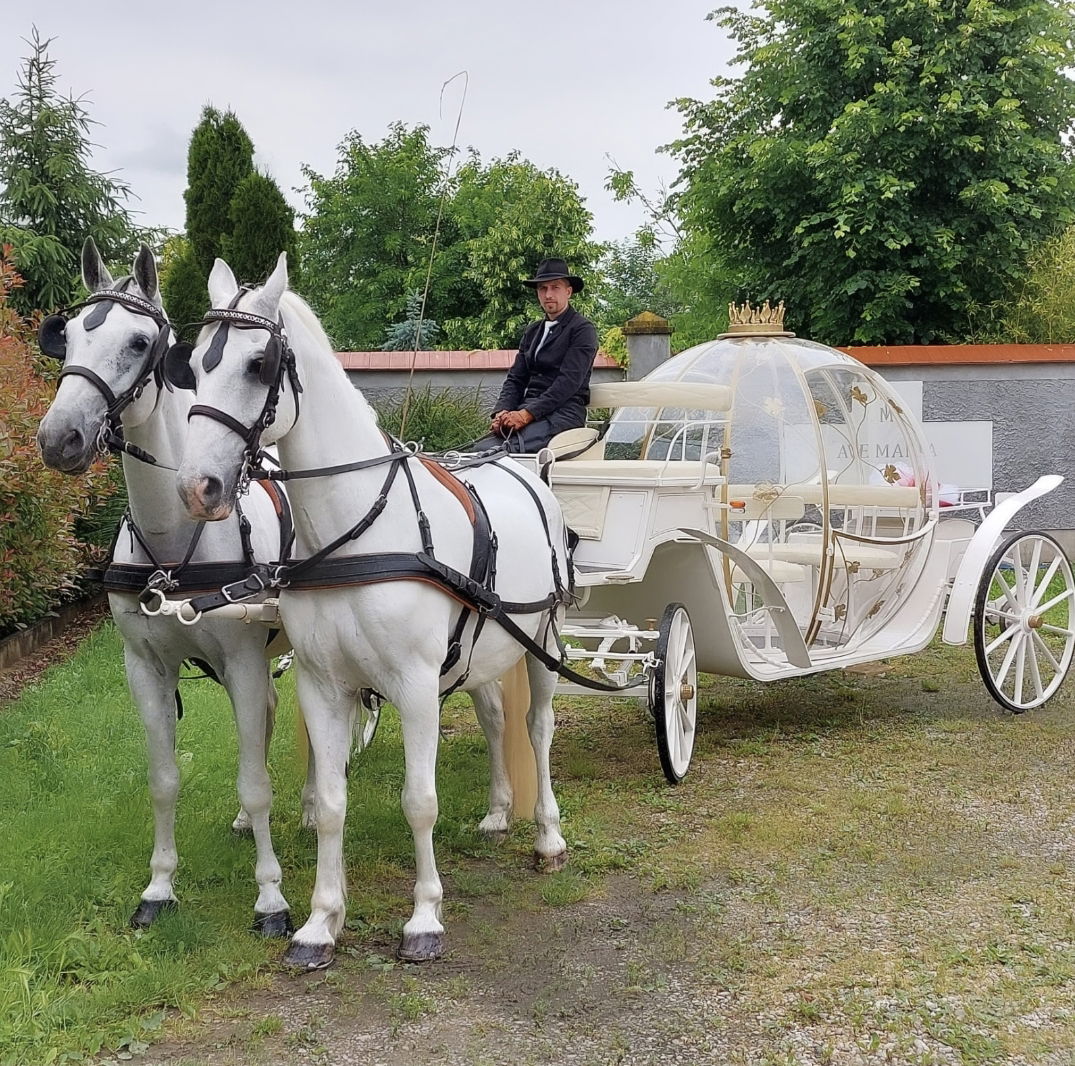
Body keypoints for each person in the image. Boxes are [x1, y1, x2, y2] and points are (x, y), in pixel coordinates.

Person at [471, 257, 597, 453]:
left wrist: (526, 414)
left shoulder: (582, 330)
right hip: (527, 411)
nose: (548, 294)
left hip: (563, 415)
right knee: (478, 449)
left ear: (568, 291)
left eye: (555, 287)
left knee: (495, 452)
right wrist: (502, 412)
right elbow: (516, 378)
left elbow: (568, 383)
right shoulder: (532, 331)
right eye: (542, 289)